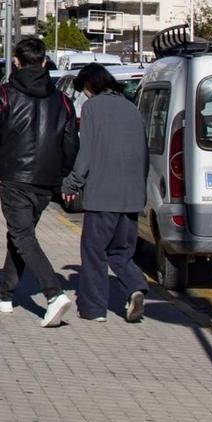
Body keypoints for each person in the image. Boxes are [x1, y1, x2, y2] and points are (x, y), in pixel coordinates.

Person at [0, 34, 80, 326]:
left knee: (22, 236)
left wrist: (1, 159)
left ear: (17, 63)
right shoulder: (63, 100)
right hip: (45, 181)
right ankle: (4, 295)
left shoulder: (4, 94)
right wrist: (59, 172)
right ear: (44, 62)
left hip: (15, 178)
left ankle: (53, 293)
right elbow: (72, 145)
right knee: (20, 235)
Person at [62, 64, 150, 323]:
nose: (85, 97)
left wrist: (72, 183)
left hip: (102, 194)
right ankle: (135, 286)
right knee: (121, 251)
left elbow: (86, 151)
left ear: (90, 86)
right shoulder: (131, 107)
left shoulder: (93, 108)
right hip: (132, 195)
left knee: (94, 252)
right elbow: (143, 153)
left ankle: (94, 309)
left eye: (85, 91)